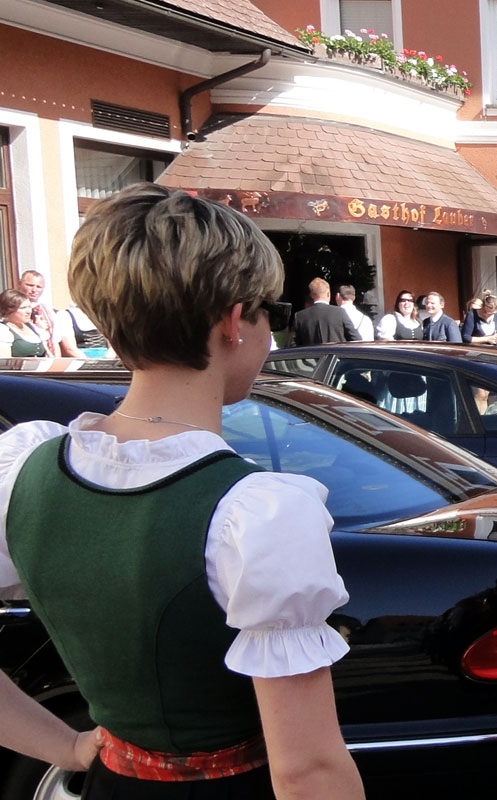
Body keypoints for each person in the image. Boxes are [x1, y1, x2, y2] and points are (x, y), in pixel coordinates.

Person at [0, 183, 364, 799]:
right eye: (268, 314)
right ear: (232, 321)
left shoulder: (25, 468)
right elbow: (307, 770)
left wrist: (64, 745)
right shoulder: (256, 511)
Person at [291, 278, 362, 346]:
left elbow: (293, 345)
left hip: (311, 358)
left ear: (311, 295)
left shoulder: (300, 316)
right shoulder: (339, 313)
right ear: (328, 294)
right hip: (337, 357)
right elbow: (356, 339)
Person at [17, 269, 67, 358]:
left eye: (39, 287)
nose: (34, 290)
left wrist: (57, 361)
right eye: (30, 285)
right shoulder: (13, 309)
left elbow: (55, 341)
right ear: (19, 284)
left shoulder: (48, 311)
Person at [0, 289, 48, 357]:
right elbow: (5, 363)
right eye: (23, 308)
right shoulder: (3, 331)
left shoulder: (32, 327)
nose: (29, 311)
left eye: (29, 307)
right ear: (9, 310)